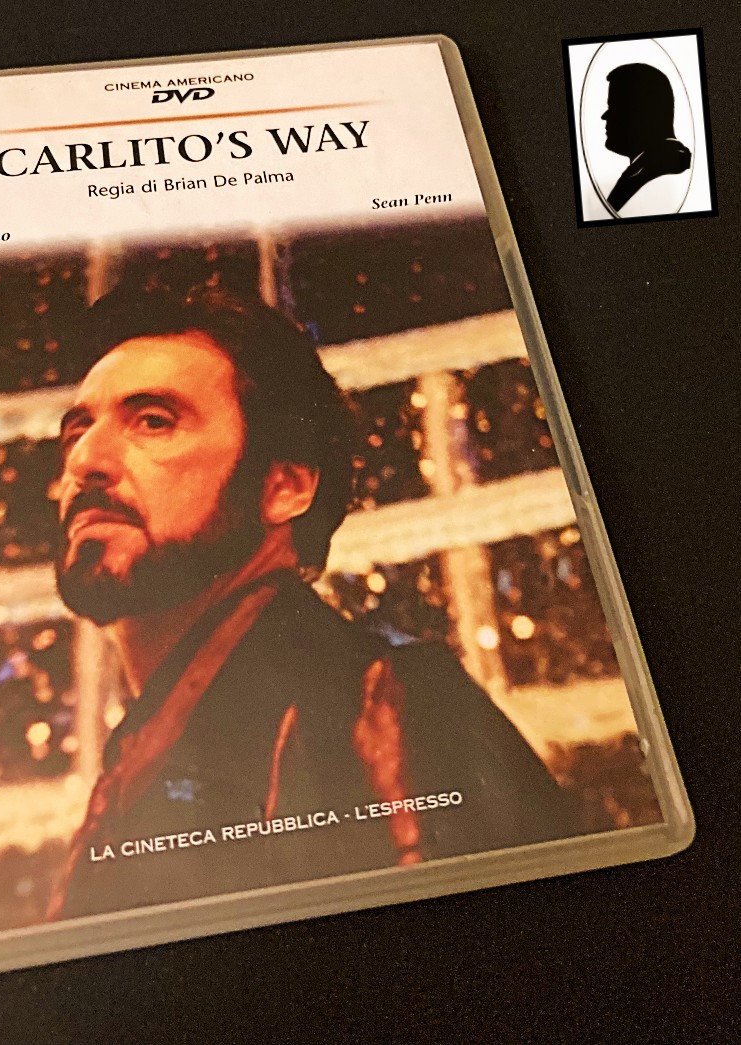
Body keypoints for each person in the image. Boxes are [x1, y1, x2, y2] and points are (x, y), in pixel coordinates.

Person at [47, 284, 580, 920]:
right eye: (77, 430)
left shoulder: (375, 702)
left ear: (285, 488)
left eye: (154, 421)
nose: (85, 460)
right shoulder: (154, 745)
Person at [602, 63, 691, 212]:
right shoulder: (646, 169)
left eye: (614, 106)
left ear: (641, 113)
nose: (605, 116)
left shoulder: (660, 176)